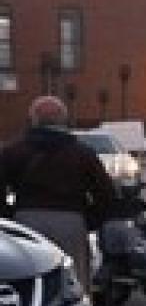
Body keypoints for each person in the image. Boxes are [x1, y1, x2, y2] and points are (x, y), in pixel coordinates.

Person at [0, 95, 120, 291]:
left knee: (27, 276)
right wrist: (89, 219)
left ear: (34, 119)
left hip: (26, 218)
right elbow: (106, 194)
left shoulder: (13, 150)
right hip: (71, 220)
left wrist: (9, 216)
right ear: (63, 120)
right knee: (74, 280)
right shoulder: (82, 153)